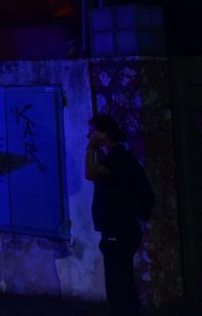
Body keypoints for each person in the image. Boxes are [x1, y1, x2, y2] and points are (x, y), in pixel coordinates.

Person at [85, 113, 147, 316]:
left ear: (103, 134)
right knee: (124, 283)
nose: (88, 136)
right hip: (125, 229)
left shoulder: (117, 159)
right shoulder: (121, 158)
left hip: (117, 231)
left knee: (118, 287)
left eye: (92, 132)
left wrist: (91, 147)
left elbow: (90, 173)